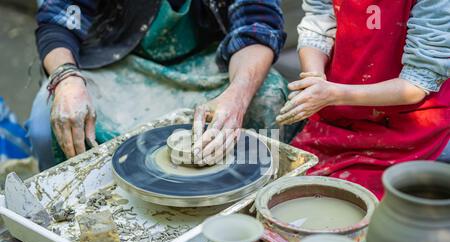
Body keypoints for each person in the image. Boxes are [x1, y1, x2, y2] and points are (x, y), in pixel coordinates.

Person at [29, 0, 293, 170]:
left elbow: (258, 26)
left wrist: (238, 95)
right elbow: (57, 19)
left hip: (207, 63)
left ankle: (249, 207)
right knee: (47, 122)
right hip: (115, 60)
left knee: (269, 97)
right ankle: (75, 214)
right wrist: (66, 78)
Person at [277, 0, 450, 198]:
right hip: (337, 113)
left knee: (358, 202)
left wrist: (332, 94)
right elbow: (318, 23)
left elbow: (418, 81)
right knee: (292, 185)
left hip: (407, 123)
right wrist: (315, 81)